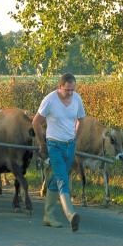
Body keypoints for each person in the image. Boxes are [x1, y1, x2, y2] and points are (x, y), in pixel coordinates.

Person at [32, 73, 86, 232]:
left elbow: (81, 119)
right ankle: (71, 214)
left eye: (72, 89)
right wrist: (42, 142)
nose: (70, 93)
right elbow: (36, 122)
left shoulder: (77, 99)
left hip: (70, 146)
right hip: (54, 145)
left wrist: (75, 138)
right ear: (60, 87)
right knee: (62, 178)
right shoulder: (50, 100)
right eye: (67, 90)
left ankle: (48, 215)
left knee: (57, 177)